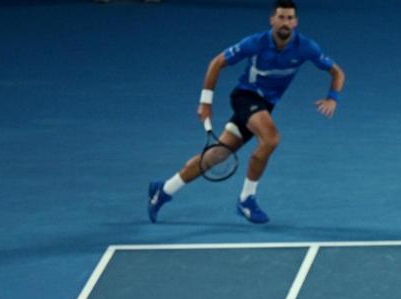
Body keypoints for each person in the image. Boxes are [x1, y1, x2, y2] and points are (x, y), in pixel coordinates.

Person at [147, 0, 344, 224]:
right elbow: (216, 63)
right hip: (246, 97)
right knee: (271, 139)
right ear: (272, 20)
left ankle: (163, 190)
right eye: (281, 17)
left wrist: (332, 98)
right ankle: (247, 199)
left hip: (265, 105)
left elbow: (337, 73)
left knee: (217, 155)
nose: (285, 22)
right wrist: (206, 103)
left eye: (290, 18)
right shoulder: (255, 43)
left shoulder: (307, 47)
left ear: (296, 22)